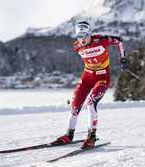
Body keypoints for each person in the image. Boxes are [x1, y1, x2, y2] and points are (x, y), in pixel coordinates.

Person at [54, 21, 128, 149]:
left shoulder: (101, 40)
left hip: (102, 78)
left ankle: (91, 136)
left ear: (89, 34)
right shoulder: (77, 46)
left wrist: (123, 59)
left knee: (90, 103)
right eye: (79, 36)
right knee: (75, 104)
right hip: (87, 77)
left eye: (84, 36)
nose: (81, 40)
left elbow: (119, 41)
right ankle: (69, 135)